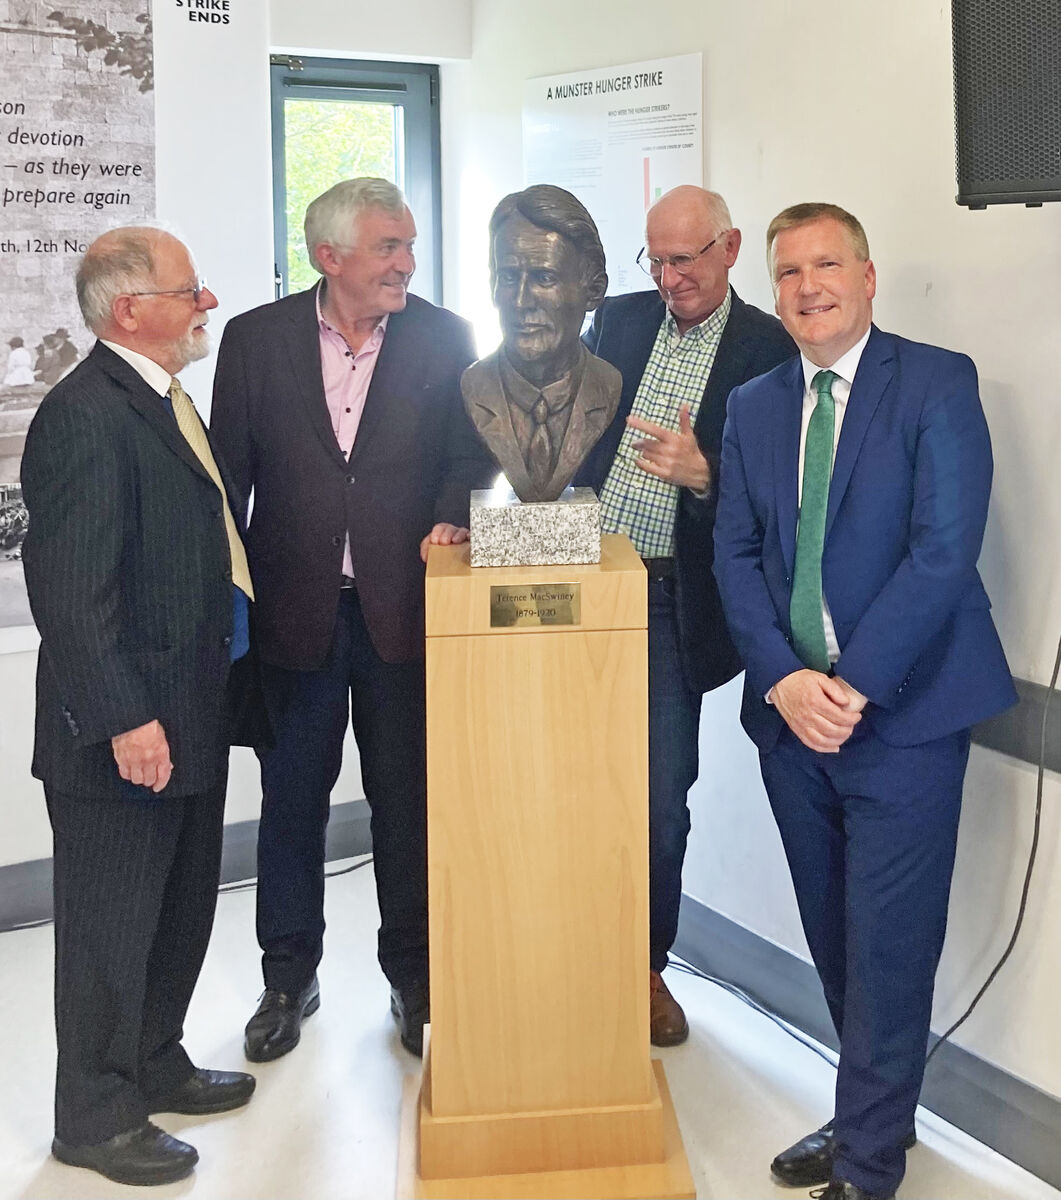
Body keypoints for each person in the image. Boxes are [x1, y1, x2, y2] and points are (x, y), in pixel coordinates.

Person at [713, 203, 1017, 1200]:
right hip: (788, 724)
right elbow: (738, 553)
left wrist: (845, 688)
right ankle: (866, 1114)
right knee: (836, 938)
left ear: (868, 275)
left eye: (826, 264)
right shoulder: (754, 405)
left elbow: (940, 552)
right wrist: (785, 680)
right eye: (788, 271)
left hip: (903, 718)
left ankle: (869, 1165)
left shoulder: (932, 384)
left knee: (888, 947)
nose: (807, 287)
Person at [211, 177, 496, 1062]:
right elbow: (225, 478)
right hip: (294, 614)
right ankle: (286, 977)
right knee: (290, 803)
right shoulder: (255, 340)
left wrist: (453, 511)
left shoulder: (445, 337)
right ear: (328, 256)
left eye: (409, 246)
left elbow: (467, 453)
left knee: (406, 803)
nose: (406, 263)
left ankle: (414, 981)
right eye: (387, 248)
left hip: (403, 615)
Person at [20, 226, 264, 1187]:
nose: (206, 304)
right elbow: (73, 594)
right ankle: (94, 1113)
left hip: (190, 712)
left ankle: (154, 1063)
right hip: (128, 734)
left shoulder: (163, 398)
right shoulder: (85, 415)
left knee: (177, 913)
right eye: (190, 291)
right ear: (131, 310)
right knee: (109, 931)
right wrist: (126, 718)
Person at [576, 185, 795, 1045]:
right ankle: (567, 953)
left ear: (729, 247)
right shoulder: (619, 323)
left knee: (660, 799)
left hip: (671, 597)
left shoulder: (768, 352)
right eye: (655, 260)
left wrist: (704, 474)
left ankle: (644, 971)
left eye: (685, 259)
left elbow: (777, 506)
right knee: (568, 783)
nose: (668, 278)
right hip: (584, 578)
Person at [461, 184, 620, 502]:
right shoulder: (476, 386)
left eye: (544, 278)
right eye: (508, 277)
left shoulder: (608, 386)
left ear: (593, 290)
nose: (520, 302)